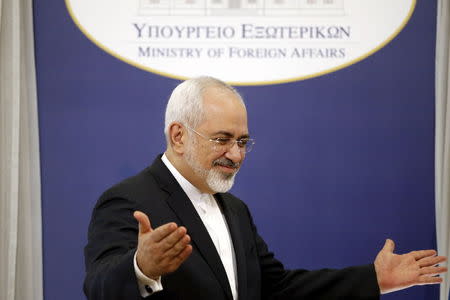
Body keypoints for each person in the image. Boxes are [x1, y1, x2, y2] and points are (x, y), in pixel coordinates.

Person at [84, 76, 447, 300]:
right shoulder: (128, 199)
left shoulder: (236, 211)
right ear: (178, 135)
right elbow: (98, 287)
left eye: (243, 141)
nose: (236, 155)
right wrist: (141, 268)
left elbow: (277, 289)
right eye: (222, 139)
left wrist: (373, 279)